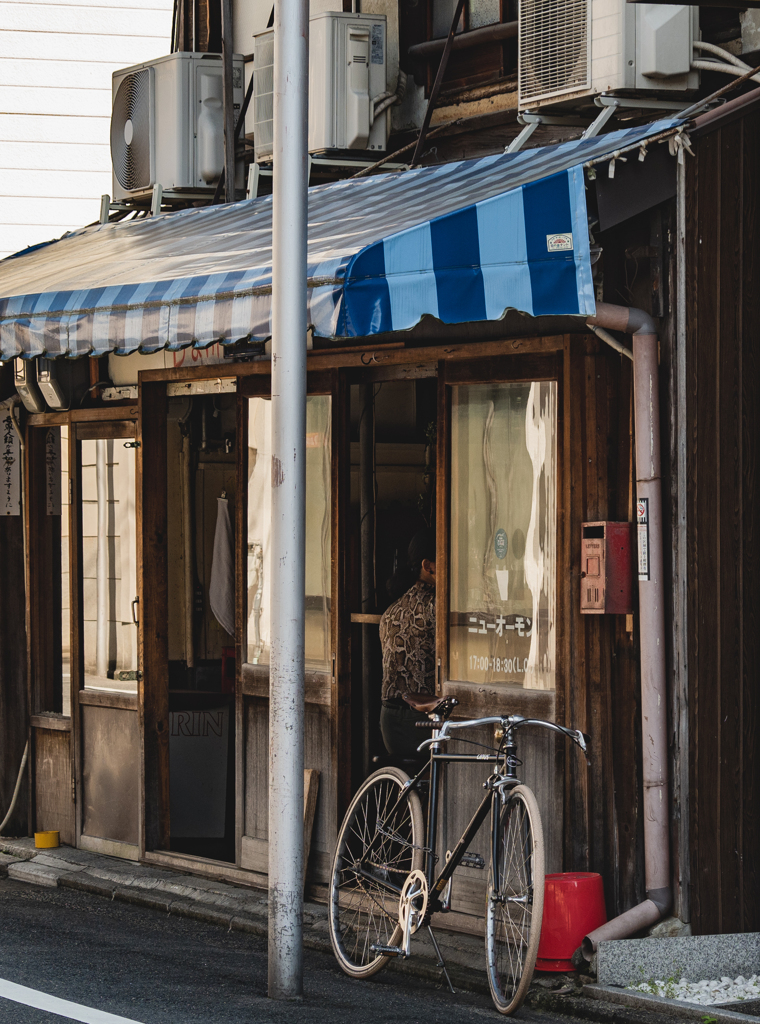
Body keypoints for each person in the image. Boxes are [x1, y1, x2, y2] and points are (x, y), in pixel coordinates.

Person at [379, 528, 436, 763]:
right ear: (428, 566)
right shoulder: (437, 607)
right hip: (422, 722)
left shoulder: (390, 612)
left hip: (389, 721)